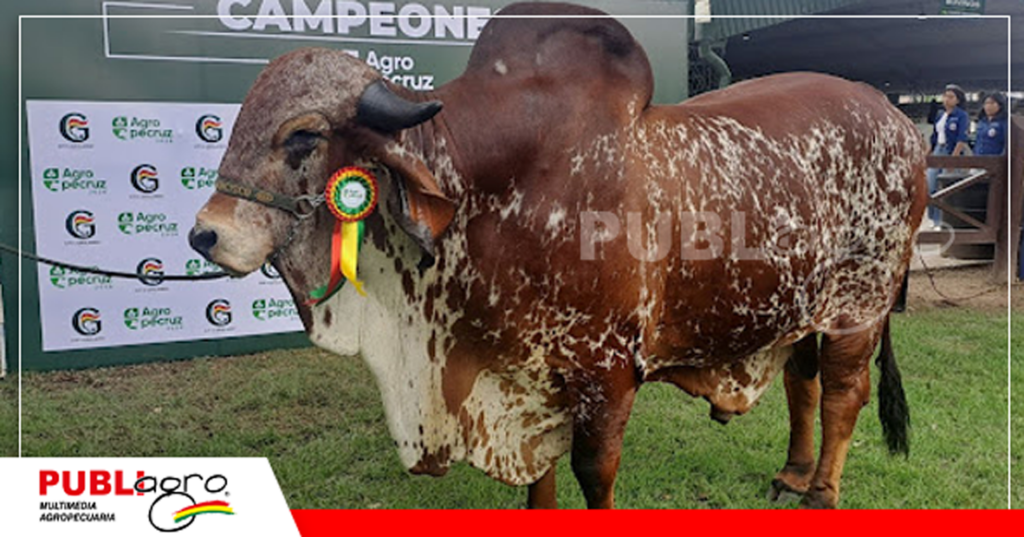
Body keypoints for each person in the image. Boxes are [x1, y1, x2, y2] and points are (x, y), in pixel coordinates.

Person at [924, 84, 970, 229]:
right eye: (945, 96)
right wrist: (928, 153)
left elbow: (961, 139)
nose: (946, 99)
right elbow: (934, 136)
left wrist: (953, 159)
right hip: (938, 149)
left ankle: (943, 222)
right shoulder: (940, 115)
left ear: (958, 100)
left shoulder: (962, 115)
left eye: (951, 97)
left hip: (951, 151)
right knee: (930, 185)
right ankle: (933, 219)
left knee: (945, 188)